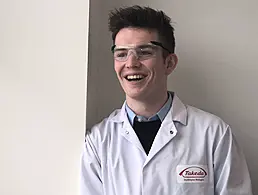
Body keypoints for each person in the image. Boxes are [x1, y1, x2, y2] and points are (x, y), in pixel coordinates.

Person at [80, 5, 253, 195]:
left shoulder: (213, 134)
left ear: (169, 63)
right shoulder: (99, 141)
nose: (130, 63)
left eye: (144, 52)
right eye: (121, 54)